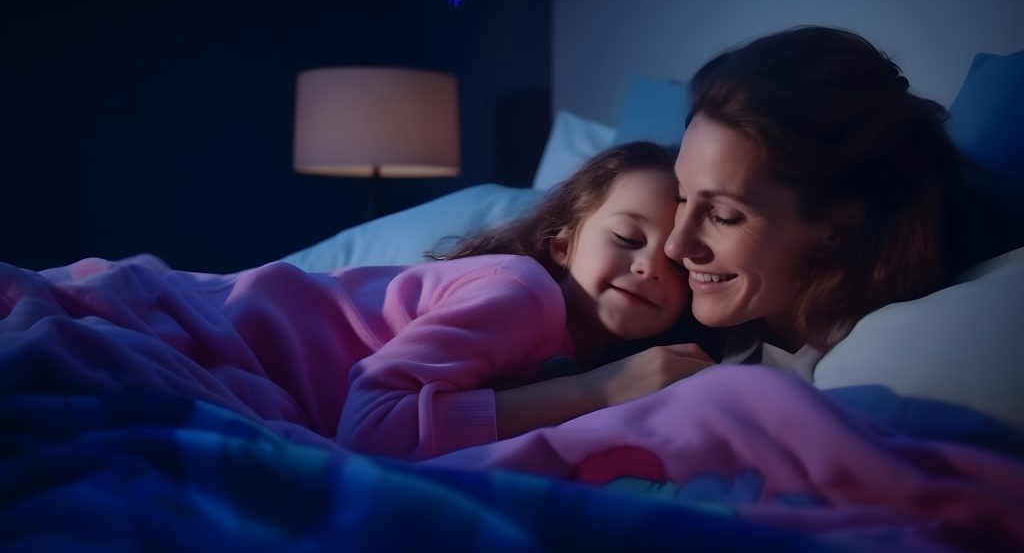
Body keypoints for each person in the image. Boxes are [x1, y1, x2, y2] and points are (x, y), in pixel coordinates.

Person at [0, 141, 713, 461]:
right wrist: (602, 389)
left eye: (675, 259)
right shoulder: (521, 291)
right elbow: (374, 428)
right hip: (175, 323)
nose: (651, 265)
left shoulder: (551, 358)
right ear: (561, 243)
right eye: (627, 236)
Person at [664, 25, 975, 379]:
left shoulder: (874, 370)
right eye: (680, 196)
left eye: (723, 215)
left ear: (839, 225)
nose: (674, 245)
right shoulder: (677, 317)